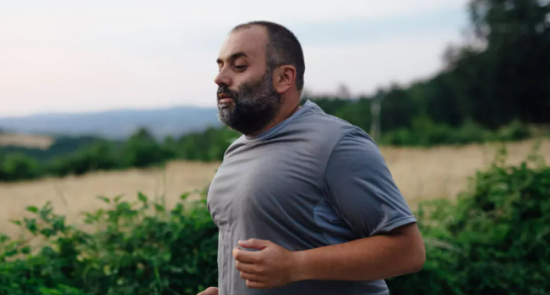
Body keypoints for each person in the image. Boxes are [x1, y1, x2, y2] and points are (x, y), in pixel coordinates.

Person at [199, 21, 425, 295]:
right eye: (220, 65)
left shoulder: (336, 143)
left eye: (239, 66)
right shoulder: (236, 151)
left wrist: (296, 265)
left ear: (284, 78)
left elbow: (408, 251)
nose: (220, 78)